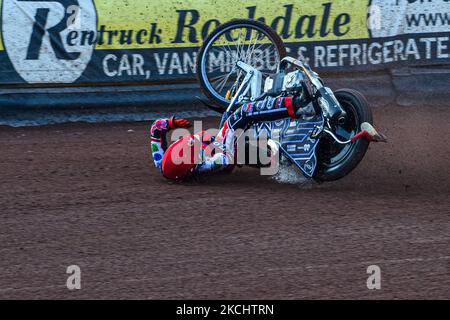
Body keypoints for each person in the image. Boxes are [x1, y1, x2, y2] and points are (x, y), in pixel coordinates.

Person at [150, 94, 384, 181]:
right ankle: (295, 105)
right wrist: (221, 147)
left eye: (185, 142)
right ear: (191, 167)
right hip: (234, 150)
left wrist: (170, 124)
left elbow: (155, 131)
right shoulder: (204, 166)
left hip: (240, 149)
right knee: (243, 114)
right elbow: (225, 161)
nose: (193, 141)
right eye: (193, 150)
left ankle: (307, 142)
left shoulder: (162, 162)